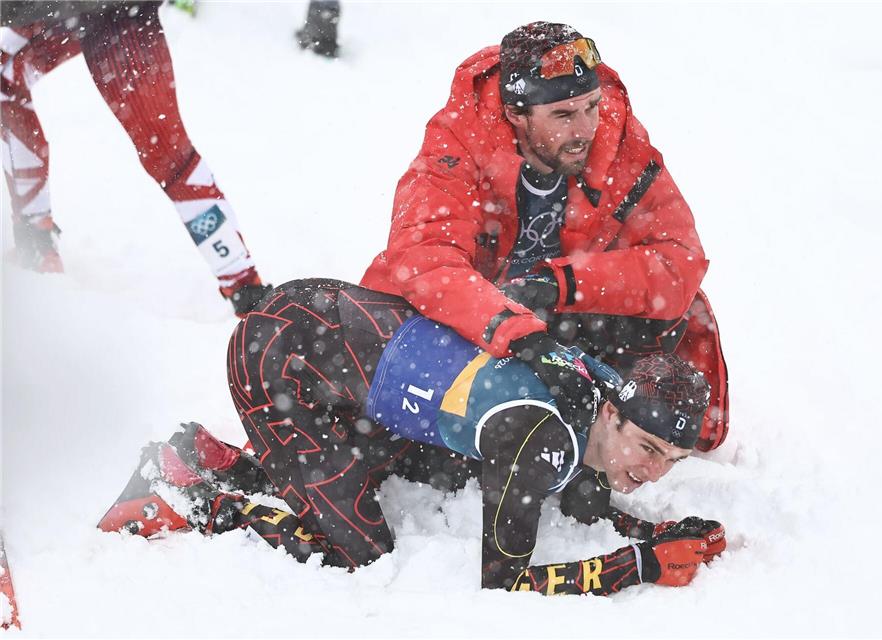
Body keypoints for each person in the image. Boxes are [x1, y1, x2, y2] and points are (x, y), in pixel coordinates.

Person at [100, 278, 726, 595]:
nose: (654, 472)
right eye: (649, 450)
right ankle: (188, 499)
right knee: (359, 557)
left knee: (400, 471)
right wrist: (640, 565)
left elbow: (581, 493)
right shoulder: (538, 438)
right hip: (283, 357)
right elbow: (505, 586)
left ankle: (210, 460)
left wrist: (652, 531)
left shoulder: (600, 387)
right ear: (611, 416)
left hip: (331, 333)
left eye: (672, 460)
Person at [360, 22, 729, 451]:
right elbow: (426, 260)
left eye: (591, 106)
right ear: (516, 113)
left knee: (670, 302)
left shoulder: (618, 140)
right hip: (474, 319)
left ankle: (611, 429)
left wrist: (560, 283)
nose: (585, 129)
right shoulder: (459, 142)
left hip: (557, 313)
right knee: (406, 441)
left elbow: (680, 258)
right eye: (563, 115)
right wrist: (515, 330)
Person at [0, 1, 270, 315]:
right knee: (4, 76)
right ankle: (36, 245)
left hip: (114, 14)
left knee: (167, 154)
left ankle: (249, 294)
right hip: (74, 11)